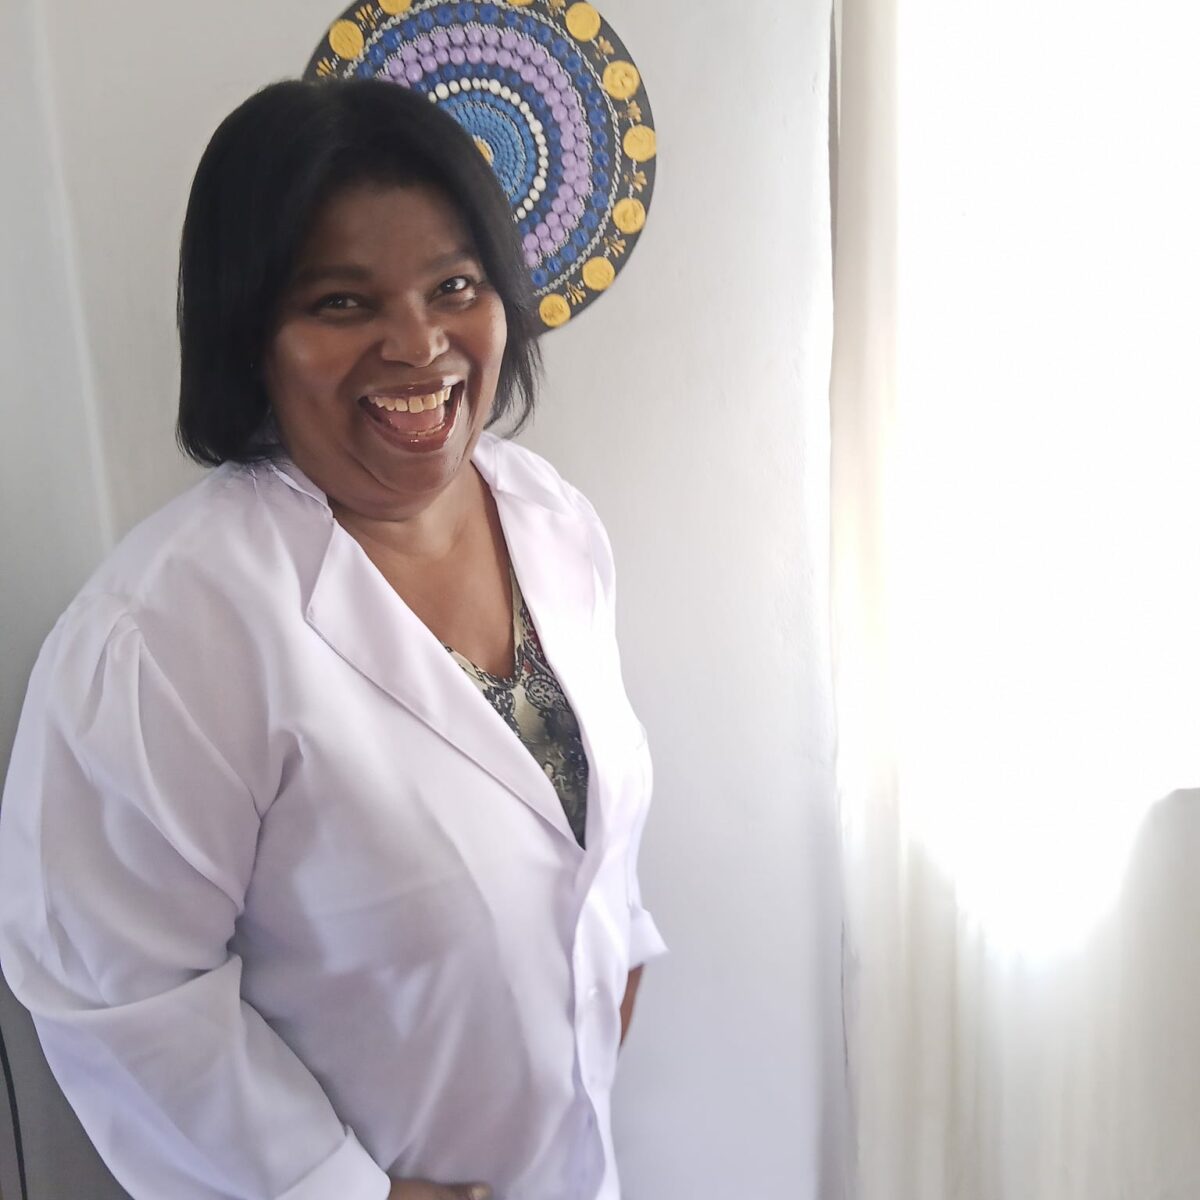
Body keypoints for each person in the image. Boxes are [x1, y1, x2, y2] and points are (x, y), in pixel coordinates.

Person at [0, 79, 665, 1200]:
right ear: (250, 334)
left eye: (454, 286)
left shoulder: (549, 519)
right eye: (343, 302)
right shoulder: (166, 633)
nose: (419, 343)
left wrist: (617, 957)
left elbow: (574, 811)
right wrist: (340, 1191)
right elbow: (112, 989)